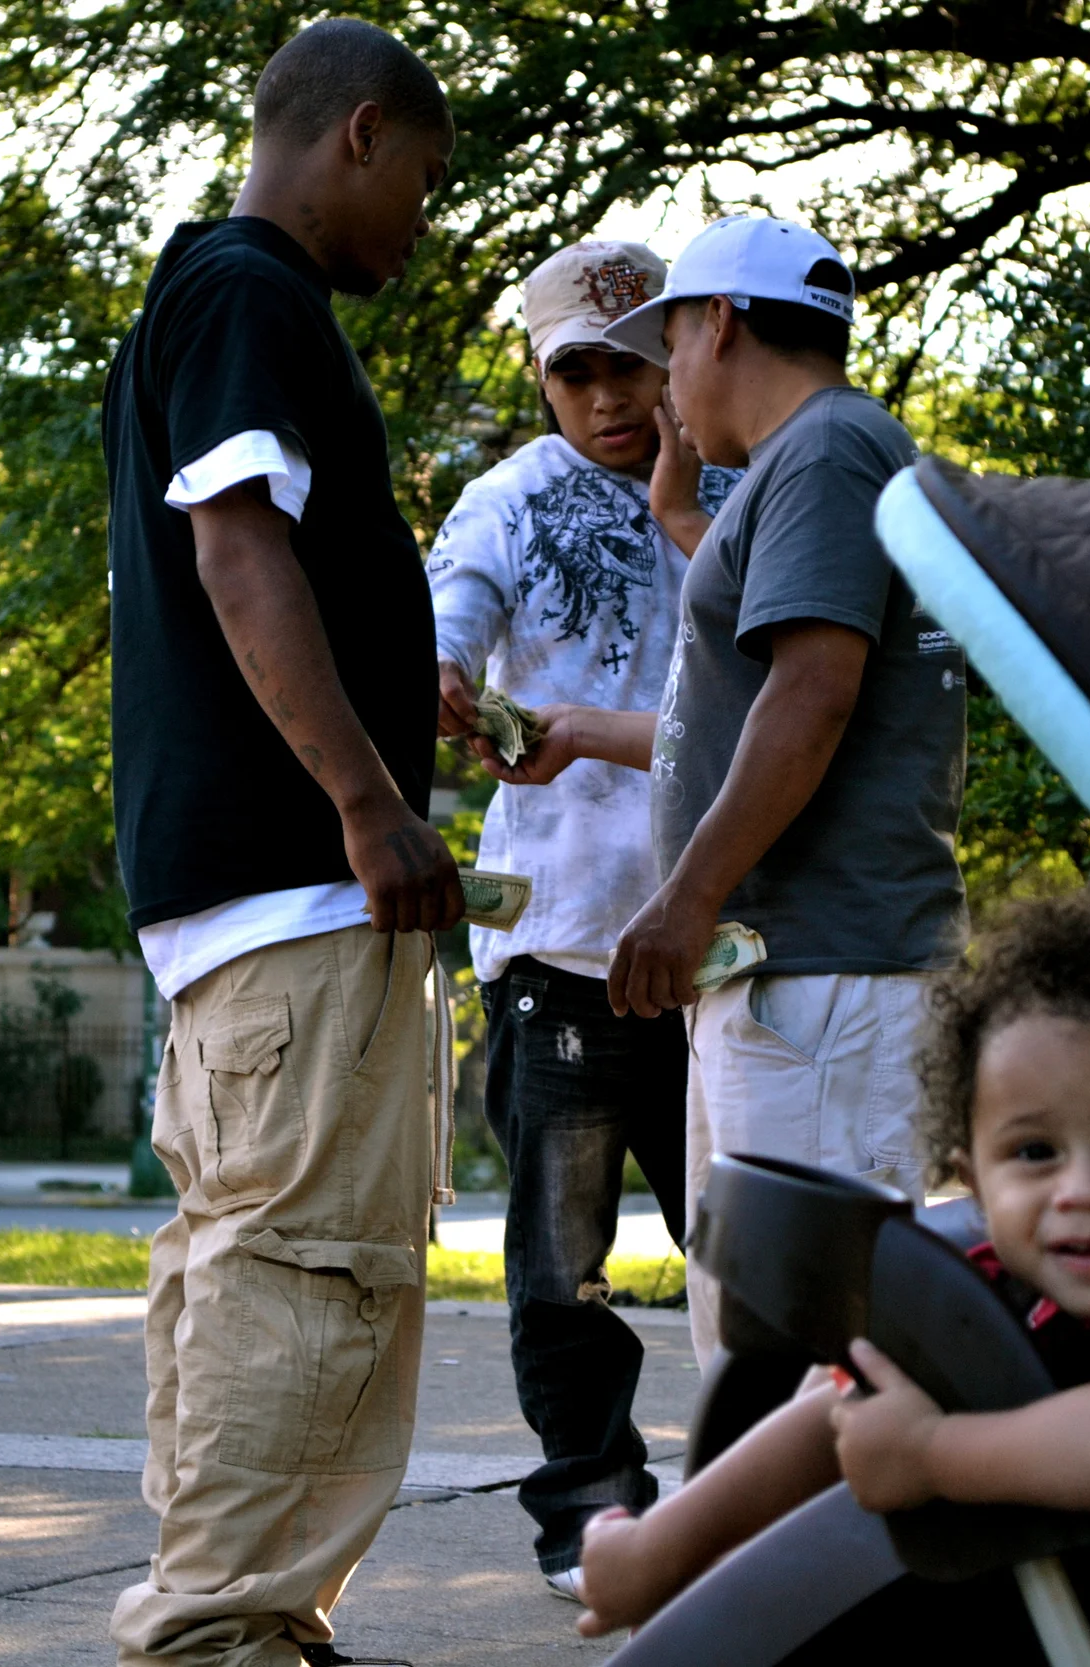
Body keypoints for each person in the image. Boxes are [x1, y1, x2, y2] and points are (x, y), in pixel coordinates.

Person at [98, 21, 460, 1667]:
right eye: (426, 185)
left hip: (241, 899)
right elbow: (242, 552)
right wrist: (368, 795)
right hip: (295, 887)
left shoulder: (201, 295)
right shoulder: (254, 298)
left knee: (243, 1266)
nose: (421, 227)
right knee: (307, 1270)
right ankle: (225, 1630)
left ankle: (237, 1616)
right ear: (361, 135)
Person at [572, 885, 1090, 1653]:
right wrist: (674, 1539)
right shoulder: (1008, 1285)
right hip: (1017, 1586)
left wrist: (931, 1452)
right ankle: (675, 1547)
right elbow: (835, 1405)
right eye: (1035, 1152)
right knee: (855, 1373)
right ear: (972, 1178)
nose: (1082, 1192)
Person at [484, 214, 968, 1363]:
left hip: (815, 973)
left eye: (667, 349)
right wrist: (681, 517)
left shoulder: (823, 452)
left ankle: (811, 1551)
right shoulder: (818, 461)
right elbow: (746, 694)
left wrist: (685, 895)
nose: (659, 390)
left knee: (796, 1358)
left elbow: (809, 698)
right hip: (812, 975)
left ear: (718, 322)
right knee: (770, 1345)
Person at [428, 238, 740, 1600]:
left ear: (683, 353)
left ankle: (757, 1502)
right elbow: (451, 619)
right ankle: (591, 1517)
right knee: (564, 1271)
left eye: (636, 362)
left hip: (731, 949)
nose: (612, 397)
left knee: (752, 1264)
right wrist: (439, 672)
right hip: (565, 954)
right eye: (580, 372)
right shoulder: (503, 500)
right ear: (541, 377)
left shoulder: (740, 489)